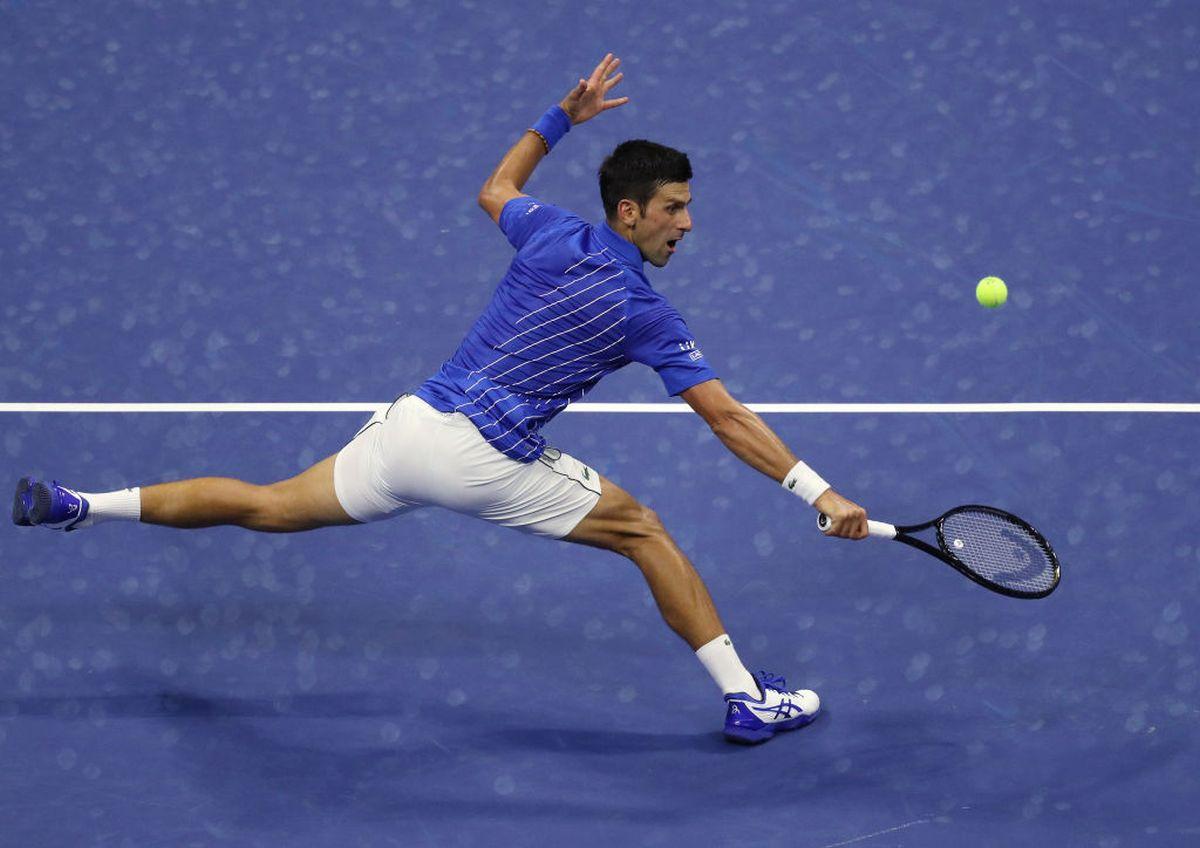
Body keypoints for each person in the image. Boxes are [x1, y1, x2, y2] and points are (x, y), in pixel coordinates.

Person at [13, 54, 869, 744]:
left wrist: (560, 119)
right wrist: (817, 491)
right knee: (643, 531)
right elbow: (725, 417)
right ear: (630, 211)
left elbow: (494, 187)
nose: (687, 224)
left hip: (409, 430)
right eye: (675, 209)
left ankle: (84, 504)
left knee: (270, 507)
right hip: (482, 457)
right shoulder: (643, 310)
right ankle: (746, 698)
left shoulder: (548, 230)